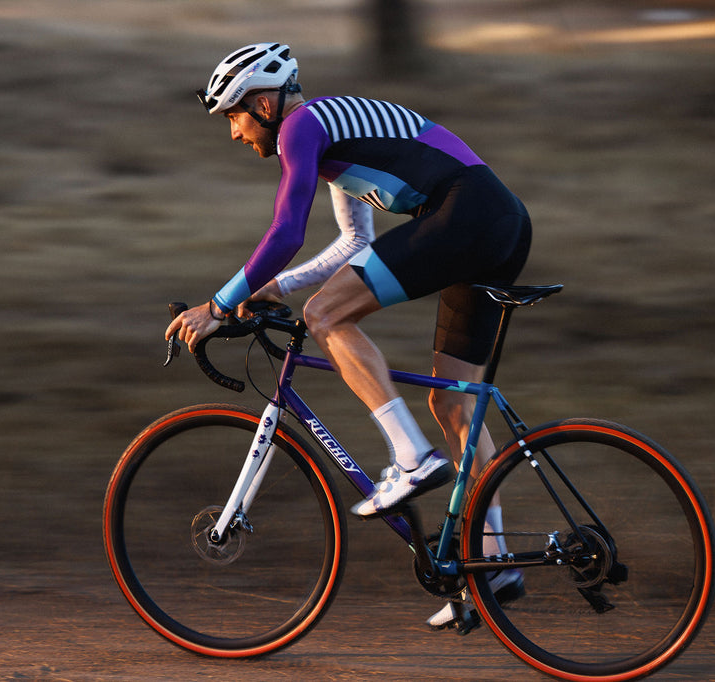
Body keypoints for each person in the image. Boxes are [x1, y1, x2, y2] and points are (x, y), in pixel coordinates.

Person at [165, 42, 529, 631]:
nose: (233, 133)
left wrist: (219, 305)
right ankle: (494, 562)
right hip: (499, 218)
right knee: (453, 403)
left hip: (466, 212)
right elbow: (354, 244)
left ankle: (411, 458)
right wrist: (276, 286)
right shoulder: (330, 136)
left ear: (263, 105)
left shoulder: (302, 127)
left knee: (327, 315)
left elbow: (286, 231)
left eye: (233, 116)